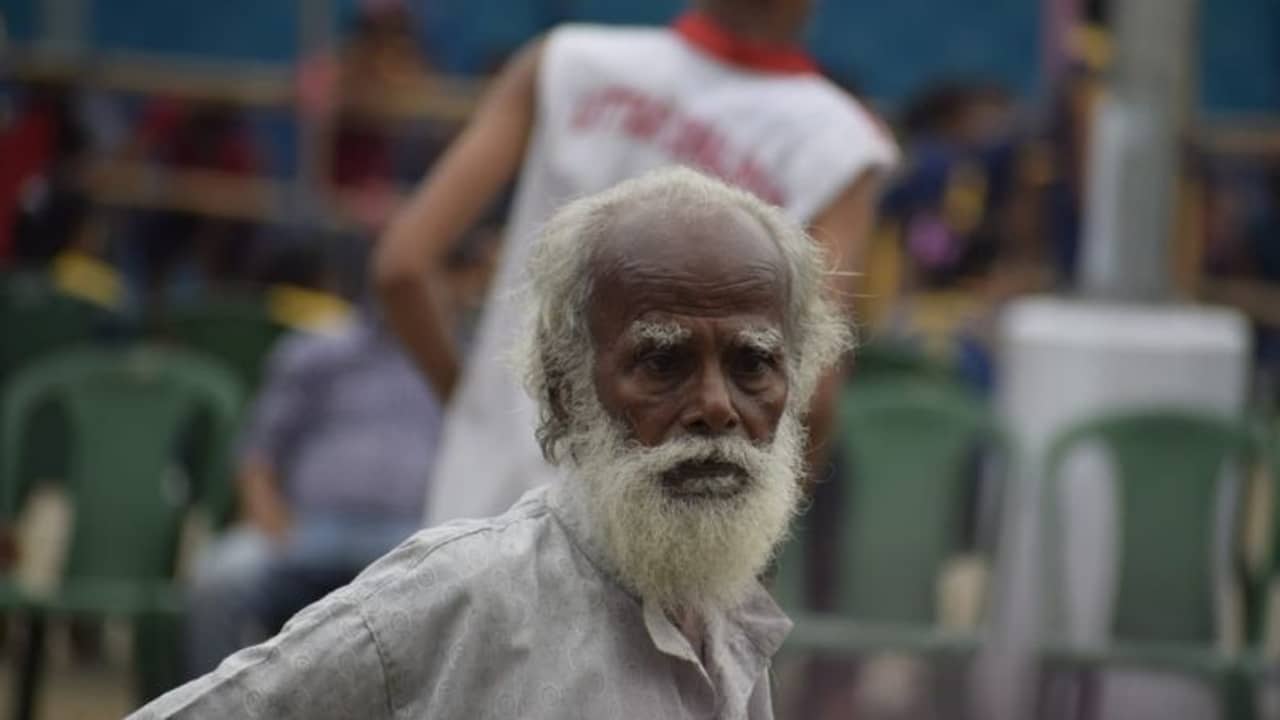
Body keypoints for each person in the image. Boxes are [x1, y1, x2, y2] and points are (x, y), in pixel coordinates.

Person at [133, 167, 851, 720]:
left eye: (753, 364)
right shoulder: (464, 595)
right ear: (568, 394)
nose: (717, 408)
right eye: (662, 363)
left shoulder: (725, 613)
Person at [373, 0, 897, 526]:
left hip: (488, 499)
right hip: (672, 526)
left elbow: (402, 267)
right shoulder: (840, 141)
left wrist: (480, 410)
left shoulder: (564, 61)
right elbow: (816, 390)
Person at [182, 299, 442, 678]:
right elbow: (257, 456)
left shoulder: (458, 357)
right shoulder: (317, 351)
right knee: (219, 581)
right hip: (306, 530)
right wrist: (268, 522)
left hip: (413, 536)